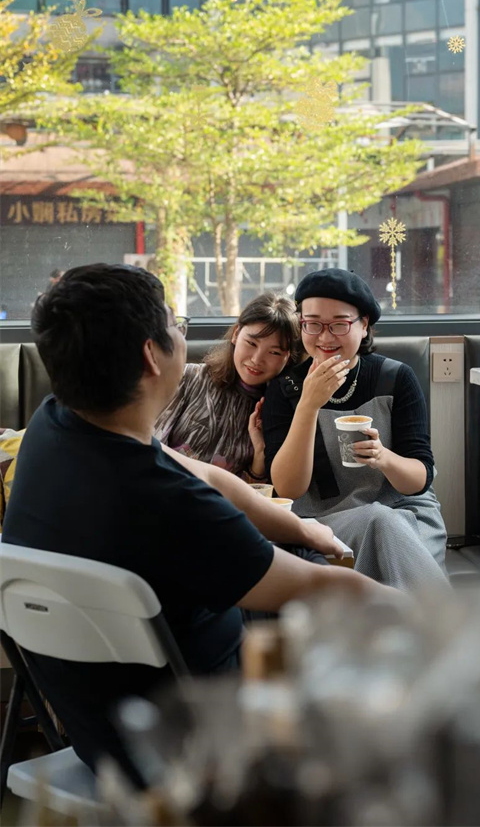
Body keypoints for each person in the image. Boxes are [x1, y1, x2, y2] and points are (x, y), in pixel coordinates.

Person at [2, 264, 394, 784]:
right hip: (199, 750)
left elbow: (205, 473)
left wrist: (303, 529)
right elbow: (321, 587)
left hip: (102, 735)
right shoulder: (170, 504)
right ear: (151, 354)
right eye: (176, 323)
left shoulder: (57, 423)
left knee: (306, 554)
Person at [262, 268, 448, 590]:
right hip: (325, 519)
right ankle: (440, 616)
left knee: (384, 520)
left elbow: (419, 480)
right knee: (377, 520)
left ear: (364, 326)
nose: (325, 337)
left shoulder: (396, 378)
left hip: (406, 512)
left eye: (339, 324)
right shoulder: (285, 389)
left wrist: (382, 457)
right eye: (313, 323)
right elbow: (287, 489)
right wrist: (308, 405)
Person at [155, 293, 300, 483]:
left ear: (288, 357)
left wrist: (259, 455)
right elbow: (149, 449)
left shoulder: (278, 410)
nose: (256, 359)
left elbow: (256, 494)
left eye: (274, 352)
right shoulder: (188, 378)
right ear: (236, 334)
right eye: (251, 343)